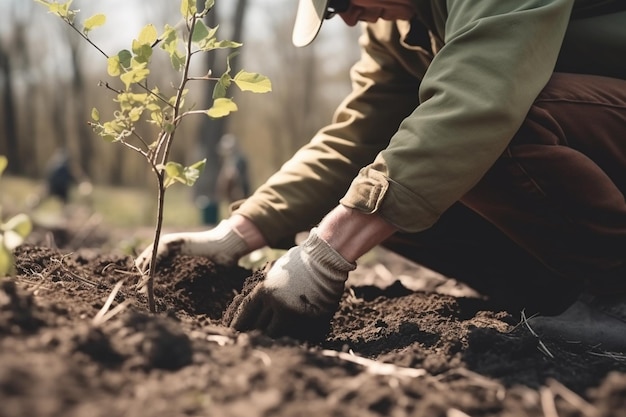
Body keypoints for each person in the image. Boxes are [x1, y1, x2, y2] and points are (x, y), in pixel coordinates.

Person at [137, 0, 626, 349]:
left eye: (342, 2)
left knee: (480, 130)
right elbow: (354, 138)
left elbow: (481, 100)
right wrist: (237, 233)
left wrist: (331, 249)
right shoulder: (396, 29)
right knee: (384, 178)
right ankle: (566, 291)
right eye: (332, 11)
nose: (347, 18)